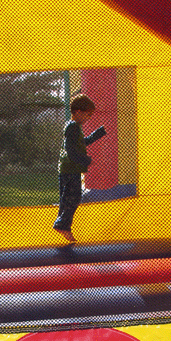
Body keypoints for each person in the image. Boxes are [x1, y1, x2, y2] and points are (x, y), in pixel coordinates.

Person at [53, 95, 106, 242]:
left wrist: (97, 134)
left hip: (68, 168)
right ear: (78, 112)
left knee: (67, 198)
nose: (89, 118)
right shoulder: (73, 127)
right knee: (73, 197)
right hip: (71, 169)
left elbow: (82, 143)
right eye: (87, 114)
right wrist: (85, 160)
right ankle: (62, 225)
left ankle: (62, 224)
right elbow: (71, 150)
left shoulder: (74, 127)